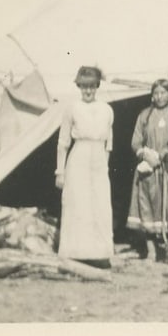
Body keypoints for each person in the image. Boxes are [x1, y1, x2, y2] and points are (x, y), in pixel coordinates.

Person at [126, 79, 168, 262]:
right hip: (150, 168)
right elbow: (135, 141)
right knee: (147, 207)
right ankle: (151, 251)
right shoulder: (145, 115)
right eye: (156, 93)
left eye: (163, 93)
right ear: (152, 95)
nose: (159, 97)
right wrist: (144, 154)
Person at [55, 66, 115, 269]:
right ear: (78, 87)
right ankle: (74, 253)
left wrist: (104, 167)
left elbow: (109, 143)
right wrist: (60, 172)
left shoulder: (107, 110)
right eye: (84, 87)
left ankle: (99, 254)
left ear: (97, 86)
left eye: (91, 87)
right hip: (78, 159)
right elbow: (63, 143)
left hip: (98, 161)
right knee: (77, 204)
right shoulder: (72, 108)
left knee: (99, 206)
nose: (87, 91)